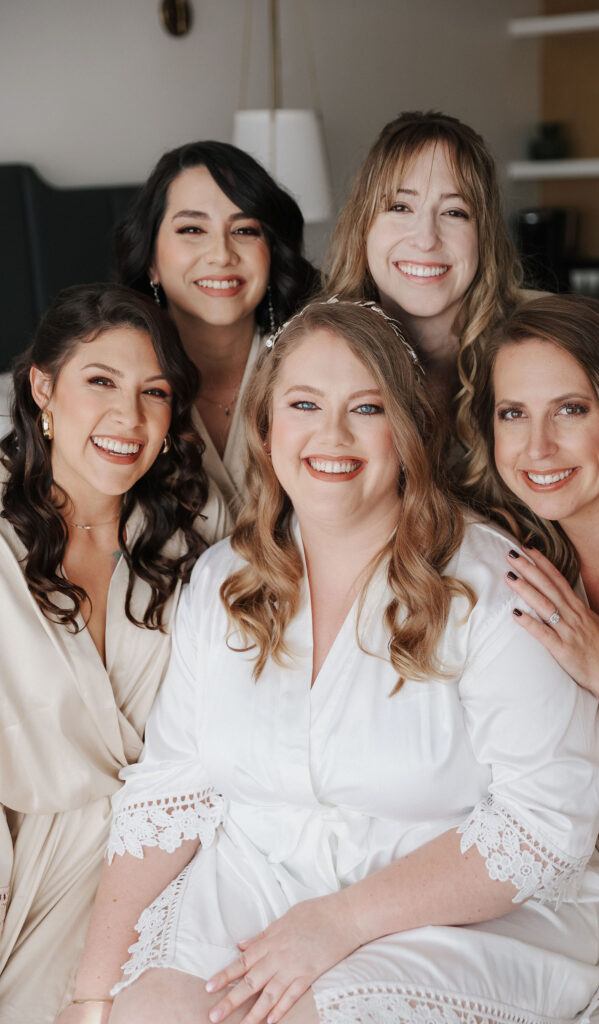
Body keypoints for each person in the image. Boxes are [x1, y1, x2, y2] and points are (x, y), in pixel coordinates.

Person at [59, 298, 599, 1024]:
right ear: (266, 427)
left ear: (409, 430)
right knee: (149, 1014)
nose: (332, 435)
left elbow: (541, 823)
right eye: (304, 404)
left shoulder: (492, 585)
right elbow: (171, 793)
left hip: (456, 911)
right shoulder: (223, 580)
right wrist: (90, 996)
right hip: (257, 883)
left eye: (366, 408)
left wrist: (339, 922)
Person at [0, 283, 229, 1022]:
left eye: (154, 392)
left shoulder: (198, 530)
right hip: (16, 860)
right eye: (100, 381)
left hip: (161, 859)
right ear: (43, 388)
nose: (129, 418)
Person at [467, 293, 599, 1022]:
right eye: (512, 413)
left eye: (569, 409)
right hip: (575, 933)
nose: (537, 448)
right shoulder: (507, 564)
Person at [323, 110, 599, 469]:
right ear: (363, 225)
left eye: (454, 212)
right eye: (400, 207)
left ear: (485, 235)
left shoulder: (565, 334)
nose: (426, 239)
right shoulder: (320, 349)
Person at [116, 140, 318, 515]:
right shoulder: (111, 387)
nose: (222, 255)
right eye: (192, 229)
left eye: (244, 230)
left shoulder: (317, 369)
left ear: (272, 254)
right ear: (151, 262)